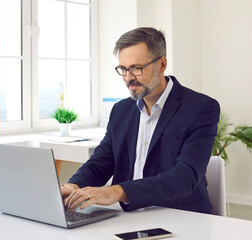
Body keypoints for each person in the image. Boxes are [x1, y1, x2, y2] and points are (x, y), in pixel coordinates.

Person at [61, 27, 220, 214]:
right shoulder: (121, 110)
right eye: (123, 69)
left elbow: (185, 177)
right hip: (128, 216)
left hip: (182, 216)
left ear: (161, 64)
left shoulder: (201, 108)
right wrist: (74, 184)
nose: (129, 78)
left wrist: (118, 191)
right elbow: (101, 163)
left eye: (136, 68)